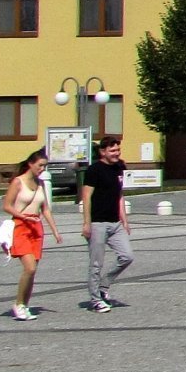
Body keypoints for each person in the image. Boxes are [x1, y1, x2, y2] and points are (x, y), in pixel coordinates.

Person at [79, 134, 135, 313]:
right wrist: (86, 223)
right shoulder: (94, 170)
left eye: (118, 149)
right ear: (103, 152)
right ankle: (95, 300)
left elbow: (119, 195)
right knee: (96, 264)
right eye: (112, 150)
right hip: (98, 223)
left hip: (115, 223)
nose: (116, 153)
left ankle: (104, 286)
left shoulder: (119, 167)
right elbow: (86, 196)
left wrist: (124, 220)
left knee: (127, 256)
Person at [1, 149, 59, 320]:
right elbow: (7, 206)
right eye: (40, 165)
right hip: (21, 226)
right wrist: (22, 215)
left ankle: (24, 305)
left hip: (36, 228)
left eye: (45, 166)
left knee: (33, 271)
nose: (42, 169)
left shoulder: (40, 184)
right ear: (30, 164)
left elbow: (45, 209)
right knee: (29, 268)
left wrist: (54, 230)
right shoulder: (18, 182)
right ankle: (18, 304)